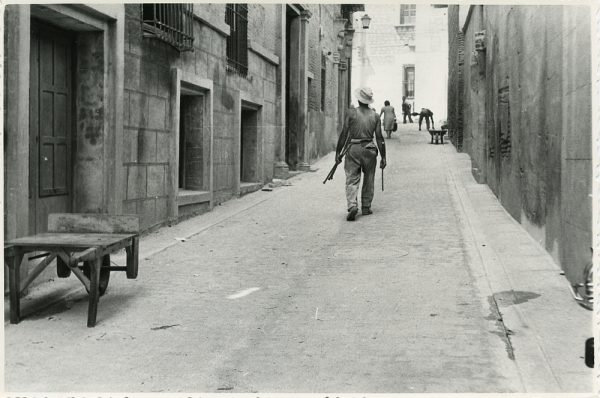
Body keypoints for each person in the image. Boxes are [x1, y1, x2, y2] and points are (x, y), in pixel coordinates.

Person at [335, 87, 387, 221]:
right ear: (369, 101)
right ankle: (366, 207)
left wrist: (338, 153)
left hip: (353, 148)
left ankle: (352, 205)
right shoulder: (375, 116)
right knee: (369, 178)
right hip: (369, 149)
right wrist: (383, 157)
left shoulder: (351, 114)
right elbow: (380, 137)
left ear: (358, 99)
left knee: (352, 178)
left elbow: (344, 133)